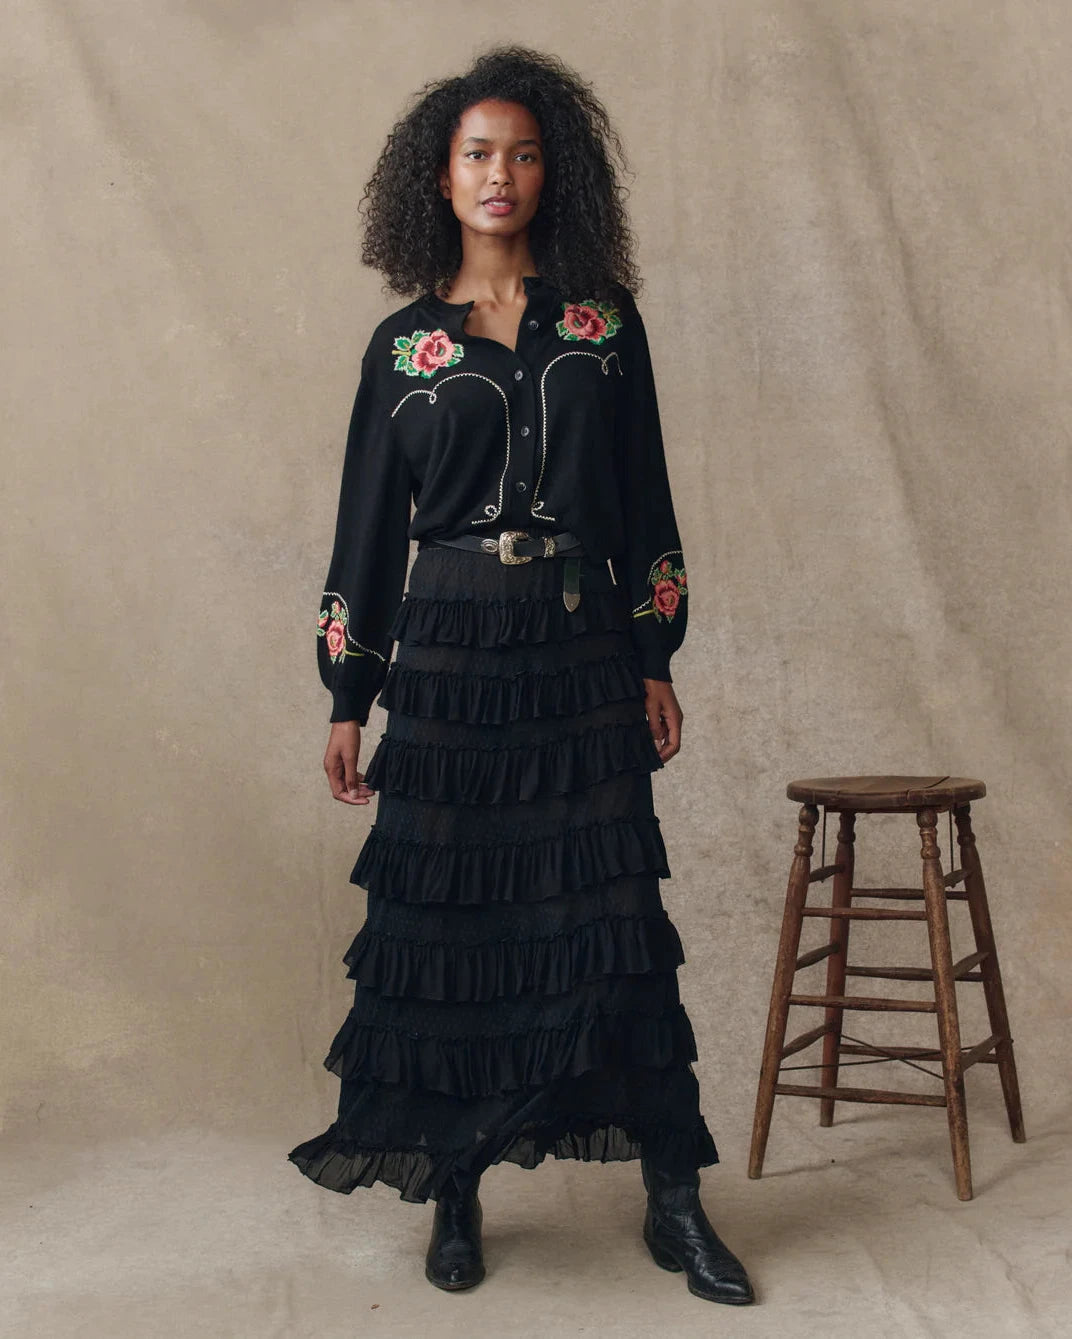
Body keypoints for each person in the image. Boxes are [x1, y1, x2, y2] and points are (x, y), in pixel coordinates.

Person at [287, 43, 755, 1306]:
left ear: (558, 174)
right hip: (441, 657)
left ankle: (673, 1200)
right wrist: (348, 697)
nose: (500, 173)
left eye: (524, 152)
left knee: (614, 932)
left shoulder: (605, 330)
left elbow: (645, 504)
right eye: (477, 154)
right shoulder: (402, 349)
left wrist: (655, 658)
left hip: (579, 645)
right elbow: (364, 533)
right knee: (445, 924)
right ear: (437, 179)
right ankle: (453, 1189)